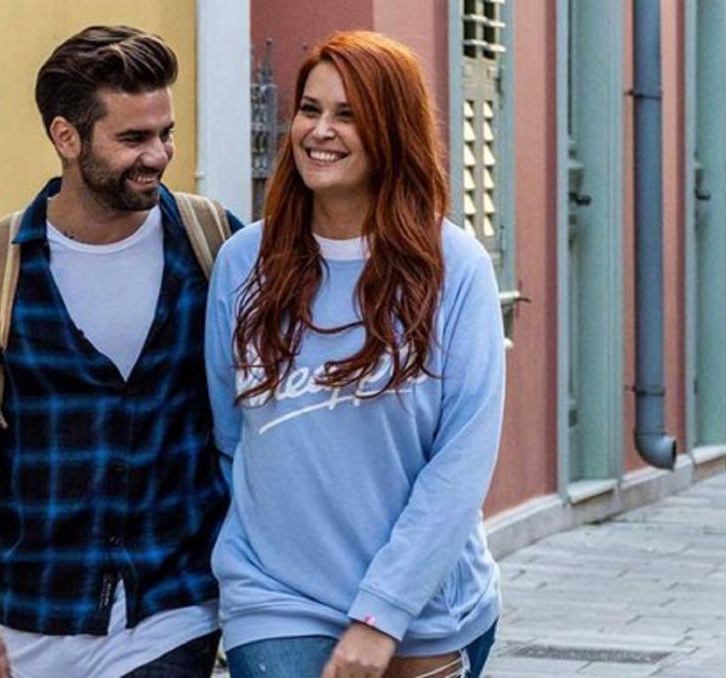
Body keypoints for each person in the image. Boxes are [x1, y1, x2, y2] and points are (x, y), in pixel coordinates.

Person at [0, 25, 242, 678]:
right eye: (133, 138)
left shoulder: (214, 248)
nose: (158, 155)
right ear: (66, 137)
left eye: (166, 133)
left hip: (176, 605)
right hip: (34, 614)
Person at [205, 31, 504, 678]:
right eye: (310, 110)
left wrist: (381, 613)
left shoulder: (456, 269)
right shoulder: (242, 264)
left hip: (426, 601)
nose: (320, 131)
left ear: (392, 130)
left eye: (348, 115)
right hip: (276, 596)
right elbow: (231, 440)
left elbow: (461, 463)